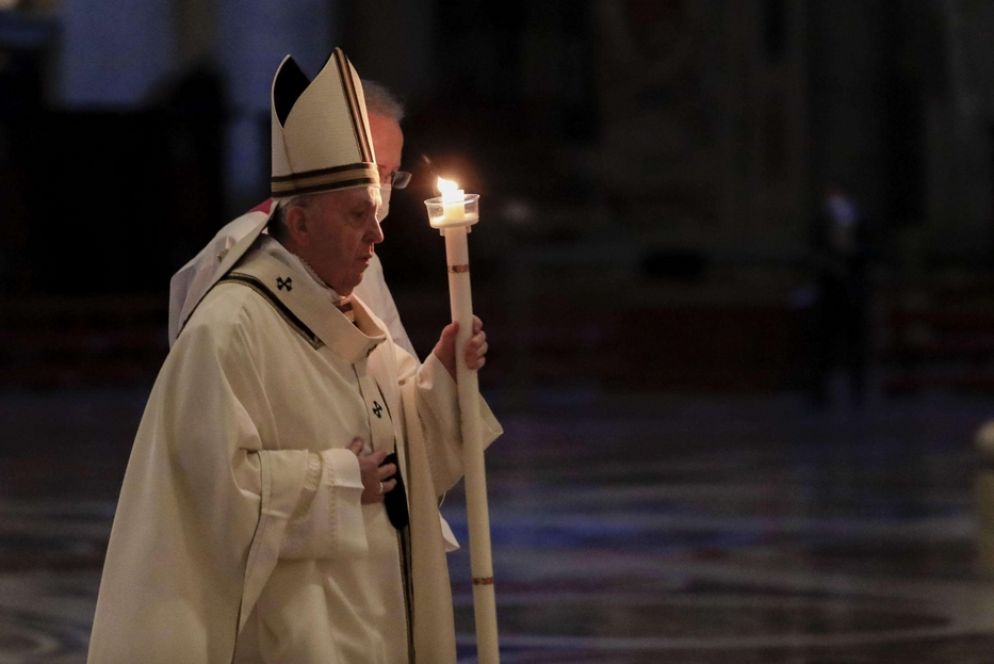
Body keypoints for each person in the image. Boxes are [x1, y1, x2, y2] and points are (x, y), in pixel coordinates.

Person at [88, 48, 502, 663]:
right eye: (360, 212)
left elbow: (402, 446)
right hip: (294, 624)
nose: (380, 230)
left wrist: (442, 376)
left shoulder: (347, 302)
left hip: (374, 609)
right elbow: (206, 493)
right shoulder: (230, 325)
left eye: (382, 195)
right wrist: (337, 481)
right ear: (301, 224)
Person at [168, 80, 416, 357]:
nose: (382, 189)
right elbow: (207, 365)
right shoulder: (236, 250)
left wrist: (442, 368)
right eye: (374, 172)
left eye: (391, 176)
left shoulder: (365, 260)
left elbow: (394, 371)